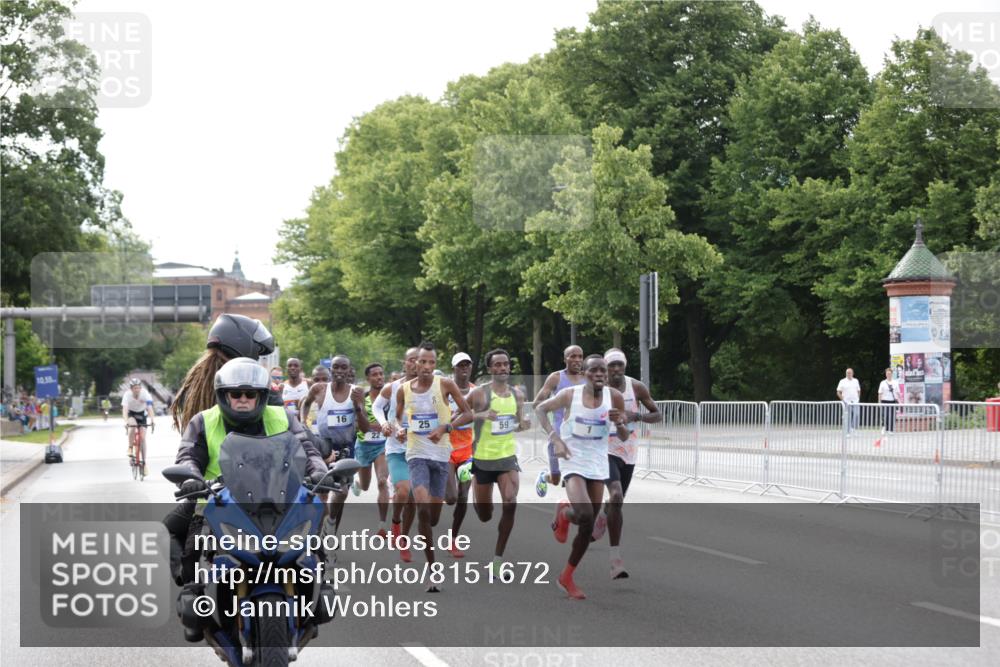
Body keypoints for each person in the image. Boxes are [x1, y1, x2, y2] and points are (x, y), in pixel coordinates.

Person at [169, 358, 329, 641]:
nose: (243, 399)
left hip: (277, 498)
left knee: (314, 517)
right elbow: (188, 455)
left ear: (261, 396)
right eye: (236, 393)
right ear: (223, 395)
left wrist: (318, 470)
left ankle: (321, 583)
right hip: (218, 500)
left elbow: (307, 448)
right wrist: (192, 477)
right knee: (181, 532)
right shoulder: (204, 421)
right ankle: (193, 592)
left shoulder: (282, 417)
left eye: (250, 394)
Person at [535, 354, 629, 600]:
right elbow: (540, 409)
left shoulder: (614, 397)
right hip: (572, 458)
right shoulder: (570, 395)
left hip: (597, 462)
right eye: (593, 370)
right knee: (586, 513)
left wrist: (620, 424)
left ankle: (566, 576)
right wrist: (555, 439)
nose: (599, 374)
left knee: (587, 525)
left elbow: (624, 436)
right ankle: (565, 513)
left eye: (602, 371)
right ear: (584, 374)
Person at [394, 341, 472, 590]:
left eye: (432, 362)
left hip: (441, 457)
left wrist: (445, 427)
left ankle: (425, 531)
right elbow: (397, 417)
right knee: (423, 509)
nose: (427, 366)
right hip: (416, 454)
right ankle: (432, 569)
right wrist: (398, 429)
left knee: (434, 517)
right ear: (414, 363)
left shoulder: (445, 385)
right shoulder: (404, 390)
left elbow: (468, 413)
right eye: (422, 361)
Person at [590, 348, 661, 579]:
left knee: (616, 503)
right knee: (617, 494)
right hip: (604, 450)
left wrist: (636, 416)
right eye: (611, 365)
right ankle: (615, 559)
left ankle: (604, 514)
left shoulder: (636, 387)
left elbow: (657, 414)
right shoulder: (597, 389)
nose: (616, 369)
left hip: (628, 452)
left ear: (625, 365)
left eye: (619, 364)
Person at [467, 348, 530, 575]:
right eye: (498, 364)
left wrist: (523, 424)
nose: (503, 368)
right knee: (485, 515)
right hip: (483, 460)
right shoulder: (479, 394)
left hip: (506, 458)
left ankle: (497, 561)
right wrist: (480, 415)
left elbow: (517, 423)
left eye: (506, 364)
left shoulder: (517, 395)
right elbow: (458, 416)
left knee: (510, 502)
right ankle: (475, 489)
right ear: (490, 368)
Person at [171, 314, 275, 432]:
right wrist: (272, 399)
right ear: (243, 345)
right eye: (257, 354)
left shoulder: (197, 383)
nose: (256, 360)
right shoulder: (237, 385)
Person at [300, 355, 369, 532]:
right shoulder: (319, 389)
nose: (339, 371)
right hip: (323, 447)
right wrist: (303, 422)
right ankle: (317, 533)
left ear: (349, 370)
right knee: (322, 492)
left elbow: (365, 428)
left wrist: (358, 407)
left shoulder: (357, 391)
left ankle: (330, 525)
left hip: (346, 448)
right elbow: (306, 404)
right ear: (331, 369)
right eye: (336, 367)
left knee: (342, 493)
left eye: (343, 367)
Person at [372, 347, 419, 563]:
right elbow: (376, 407)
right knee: (403, 490)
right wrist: (384, 424)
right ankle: (396, 522)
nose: (415, 364)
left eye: (420, 360)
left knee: (414, 500)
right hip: (396, 449)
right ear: (404, 363)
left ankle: (403, 539)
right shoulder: (393, 387)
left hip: (419, 450)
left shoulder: (430, 389)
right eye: (411, 360)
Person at [533, 345, 586, 496]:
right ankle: (544, 476)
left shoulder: (587, 378)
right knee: (556, 479)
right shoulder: (556, 377)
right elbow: (537, 404)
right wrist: (555, 406)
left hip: (581, 436)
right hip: (558, 436)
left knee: (578, 477)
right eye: (573, 356)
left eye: (580, 356)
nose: (577, 360)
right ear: (565, 359)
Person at [351, 362, 391, 538]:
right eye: (374, 374)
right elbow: (363, 427)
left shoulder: (390, 399)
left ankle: (382, 526)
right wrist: (382, 426)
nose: (379, 377)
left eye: (381, 374)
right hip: (364, 446)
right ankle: (358, 484)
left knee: (382, 482)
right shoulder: (363, 399)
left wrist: (381, 426)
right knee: (366, 486)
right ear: (368, 378)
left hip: (382, 446)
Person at [444, 352, 476, 557]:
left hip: (467, 450)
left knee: (463, 496)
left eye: (467, 365)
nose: (464, 368)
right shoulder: (444, 390)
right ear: (453, 368)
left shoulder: (476, 392)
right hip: (445, 448)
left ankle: (453, 540)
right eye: (460, 365)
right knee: (451, 498)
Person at [122, 378, 155, 477]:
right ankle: (130, 448)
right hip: (131, 414)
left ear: (140, 388)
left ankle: (144, 463)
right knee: (132, 426)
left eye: (138, 388)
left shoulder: (145, 394)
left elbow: (150, 408)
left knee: (143, 438)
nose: (137, 390)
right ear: (131, 389)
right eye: (135, 388)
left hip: (142, 414)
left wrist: (152, 420)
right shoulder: (127, 395)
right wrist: (126, 421)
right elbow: (125, 410)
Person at [837, 368, 861, 433]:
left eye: (850, 373)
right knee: (848, 417)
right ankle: (847, 431)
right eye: (847, 373)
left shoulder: (856, 380)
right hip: (846, 402)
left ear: (853, 373)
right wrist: (843, 400)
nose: (849, 374)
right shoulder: (842, 381)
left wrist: (858, 399)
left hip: (855, 401)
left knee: (857, 415)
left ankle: (853, 428)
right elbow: (838, 392)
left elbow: (858, 390)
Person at [878, 367, 899, 434]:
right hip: (884, 401)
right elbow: (880, 393)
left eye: (889, 373)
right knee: (885, 415)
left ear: (892, 374)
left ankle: (891, 429)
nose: (888, 375)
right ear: (886, 374)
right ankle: (884, 427)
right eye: (887, 373)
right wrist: (879, 402)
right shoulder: (882, 382)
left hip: (892, 401)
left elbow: (898, 392)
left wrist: (899, 401)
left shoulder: (895, 382)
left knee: (892, 416)